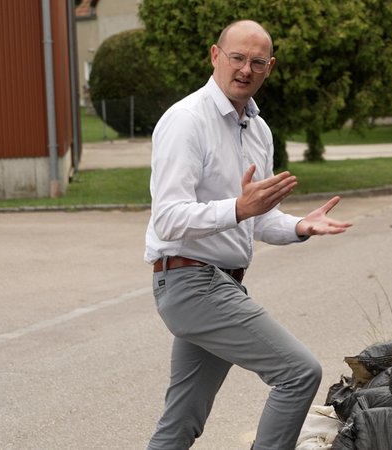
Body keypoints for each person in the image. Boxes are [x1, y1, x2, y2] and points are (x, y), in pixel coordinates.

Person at [144, 19, 352, 450]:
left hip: (222, 284)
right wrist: (239, 207)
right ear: (215, 56)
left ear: (269, 67)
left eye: (257, 62)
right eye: (237, 57)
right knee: (299, 373)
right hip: (190, 283)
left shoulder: (258, 130)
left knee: (181, 422)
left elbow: (256, 219)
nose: (246, 69)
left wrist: (298, 225)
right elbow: (168, 218)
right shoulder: (186, 120)